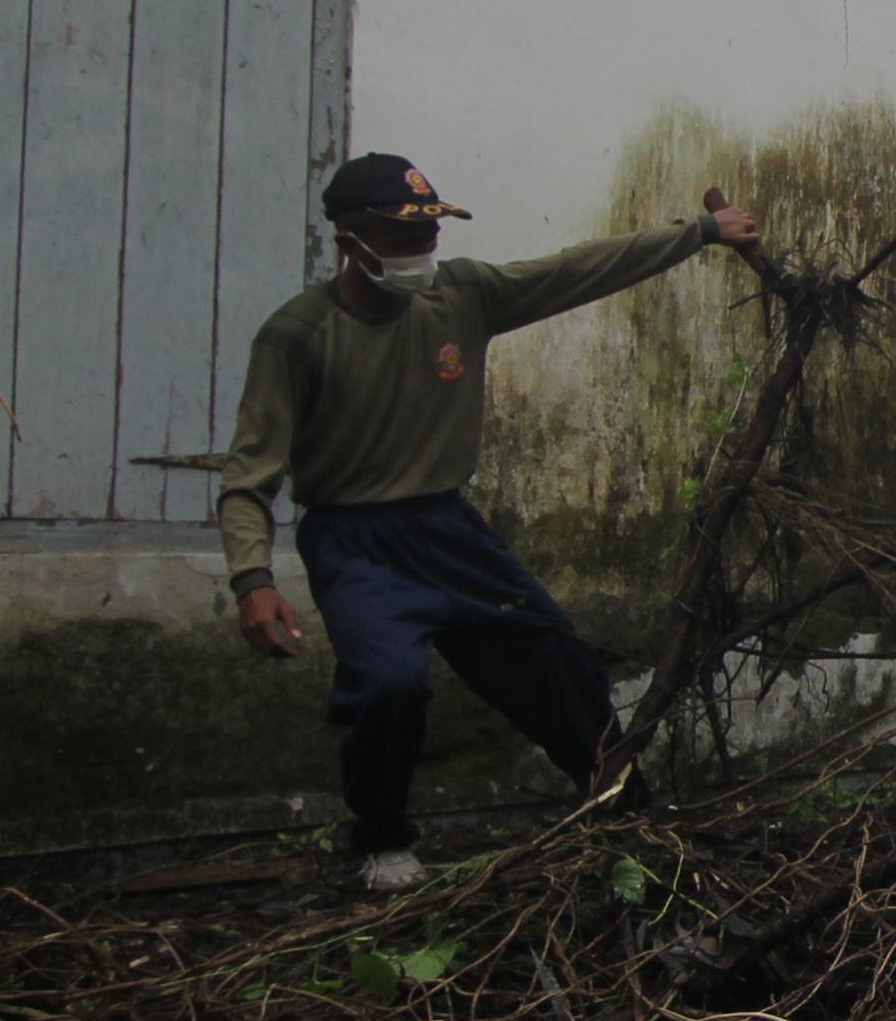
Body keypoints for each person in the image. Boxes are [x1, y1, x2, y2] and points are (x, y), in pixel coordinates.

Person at [220, 153, 762, 890]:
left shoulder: (462, 295)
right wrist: (252, 579)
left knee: (555, 657)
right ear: (352, 243)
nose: (421, 256)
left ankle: (621, 806)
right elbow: (250, 476)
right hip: (355, 541)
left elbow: (576, 270)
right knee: (388, 687)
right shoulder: (297, 336)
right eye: (402, 239)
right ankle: (381, 840)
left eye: (428, 237)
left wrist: (700, 232)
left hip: (448, 528)